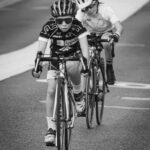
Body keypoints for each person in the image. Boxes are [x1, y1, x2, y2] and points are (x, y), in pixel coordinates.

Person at [32, 0, 89, 146]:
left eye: (68, 20)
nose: (64, 24)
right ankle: (51, 128)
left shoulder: (78, 26)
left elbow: (85, 51)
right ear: (54, 19)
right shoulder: (48, 26)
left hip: (74, 56)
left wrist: (85, 66)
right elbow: (40, 51)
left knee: (71, 66)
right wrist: (37, 66)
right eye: (60, 21)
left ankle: (78, 94)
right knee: (51, 90)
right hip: (55, 58)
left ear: (73, 18)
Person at [75, 0, 124, 85]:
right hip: (89, 33)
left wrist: (117, 34)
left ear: (96, 2)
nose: (87, 11)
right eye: (84, 9)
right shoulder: (81, 12)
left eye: (90, 7)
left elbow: (119, 26)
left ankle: (109, 66)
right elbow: (74, 26)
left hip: (105, 32)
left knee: (106, 43)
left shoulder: (105, 9)